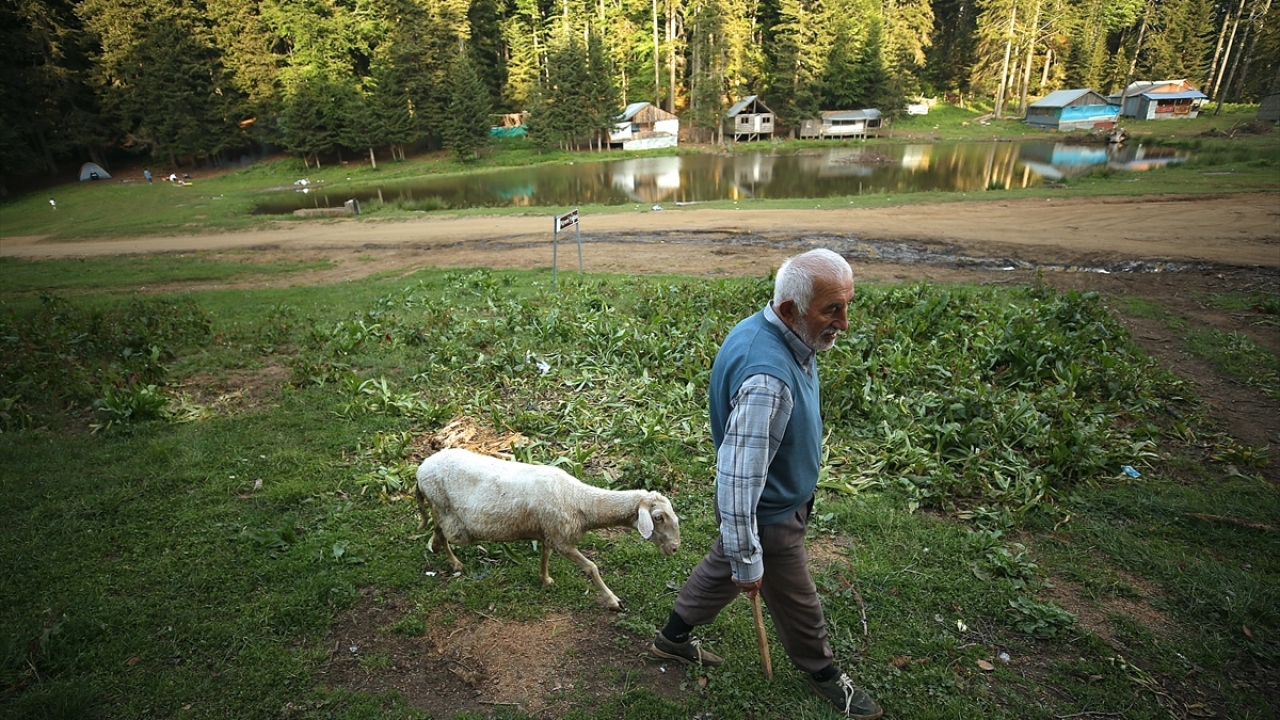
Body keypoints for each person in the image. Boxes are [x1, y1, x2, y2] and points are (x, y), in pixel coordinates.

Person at [650, 248, 883, 719]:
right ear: (789, 309)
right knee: (797, 597)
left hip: (772, 505)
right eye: (832, 310)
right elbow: (737, 482)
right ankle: (824, 674)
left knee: (725, 567)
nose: (844, 322)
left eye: (846, 305)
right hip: (770, 514)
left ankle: (672, 638)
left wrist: (740, 556)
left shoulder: (773, 330)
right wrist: (750, 553)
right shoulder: (767, 379)